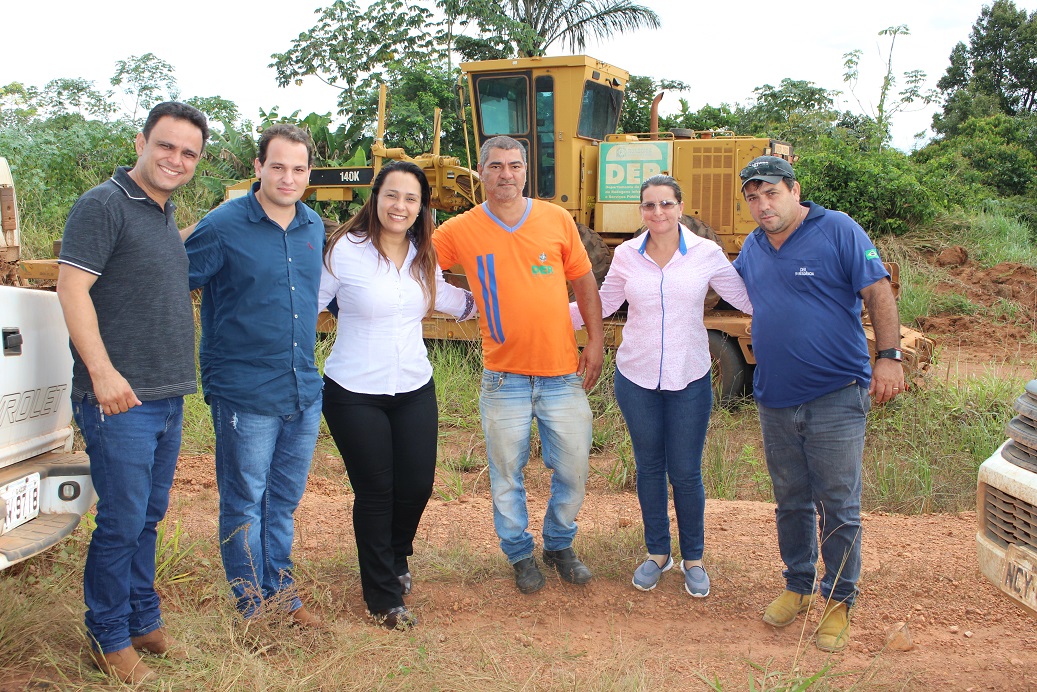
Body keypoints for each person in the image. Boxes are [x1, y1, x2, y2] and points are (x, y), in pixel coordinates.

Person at [56, 102, 209, 683]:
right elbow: (73, 290)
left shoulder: (161, 214)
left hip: (165, 396)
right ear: (141, 141)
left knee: (147, 516)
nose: (175, 160)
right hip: (118, 399)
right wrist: (101, 373)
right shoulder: (103, 205)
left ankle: (144, 622)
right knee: (121, 520)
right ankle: (108, 635)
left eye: (188, 153)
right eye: (166, 146)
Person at [732, 156, 905, 652]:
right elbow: (732, 290)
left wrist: (889, 357)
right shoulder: (753, 245)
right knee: (791, 499)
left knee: (839, 503)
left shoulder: (839, 230)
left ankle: (839, 599)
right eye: (753, 198)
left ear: (794, 190)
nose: (762, 205)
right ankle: (798, 584)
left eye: (771, 194)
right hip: (775, 398)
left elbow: (878, 291)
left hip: (836, 393)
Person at [432, 135, 604, 594]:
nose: (505, 174)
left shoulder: (555, 219)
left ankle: (559, 543)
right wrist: (460, 303)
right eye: (495, 166)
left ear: (527, 171)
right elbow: (417, 266)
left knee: (573, 467)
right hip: (503, 377)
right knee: (506, 473)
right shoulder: (459, 229)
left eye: (514, 166)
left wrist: (596, 341)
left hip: (562, 374)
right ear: (481, 172)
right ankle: (520, 554)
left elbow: (583, 279)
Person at [571, 175, 752, 597]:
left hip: (689, 377)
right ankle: (657, 554)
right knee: (649, 468)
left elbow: (746, 298)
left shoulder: (706, 253)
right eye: (649, 205)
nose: (658, 213)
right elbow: (602, 303)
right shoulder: (627, 256)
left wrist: (800, 304)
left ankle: (693, 559)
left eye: (666, 204)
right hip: (636, 378)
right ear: (641, 211)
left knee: (686, 473)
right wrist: (544, 316)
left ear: (680, 206)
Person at [318, 161, 476, 630]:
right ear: (376, 197)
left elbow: (443, 296)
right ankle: (383, 595)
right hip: (353, 391)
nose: (400, 206)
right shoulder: (344, 249)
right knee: (376, 492)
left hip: (413, 386)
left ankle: (396, 554)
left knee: (416, 487)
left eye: (411, 198)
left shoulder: (422, 252)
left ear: (422, 206)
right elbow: (308, 307)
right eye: (392, 195)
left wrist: (491, 302)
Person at [184, 124, 324, 626]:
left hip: (302, 390)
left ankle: (282, 596)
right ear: (258, 167)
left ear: (309, 173)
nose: (288, 177)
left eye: (299, 168)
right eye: (278, 166)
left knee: (282, 502)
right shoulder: (223, 225)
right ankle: (251, 606)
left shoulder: (313, 226)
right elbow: (174, 282)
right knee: (245, 502)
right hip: (244, 393)